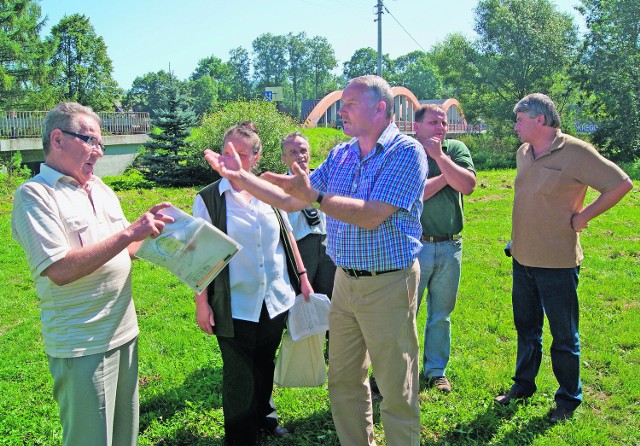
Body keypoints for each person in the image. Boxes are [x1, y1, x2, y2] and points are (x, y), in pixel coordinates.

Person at [204, 75, 428, 446]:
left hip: (389, 282)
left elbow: (371, 214)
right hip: (345, 283)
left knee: (395, 385)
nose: (342, 110)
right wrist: (240, 176)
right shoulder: (342, 153)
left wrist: (317, 196)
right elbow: (293, 199)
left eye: (351, 103)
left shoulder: (405, 152)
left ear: (380, 108)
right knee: (343, 380)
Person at [11, 102, 173, 446]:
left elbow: (123, 247)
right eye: (90, 141)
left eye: (101, 144)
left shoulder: (100, 188)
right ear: (58, 139)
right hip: (82, 345)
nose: (98, 152)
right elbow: (59, 269)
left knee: (124, 434)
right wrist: (129, 233)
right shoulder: (34, 195)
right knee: (90, 439)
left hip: (124, 332)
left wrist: (157, 236)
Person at [495, 93, 633, 423]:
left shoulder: (575, 151)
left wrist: (583, 216)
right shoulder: (523, 153)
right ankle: (523, 385)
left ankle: (568, 399)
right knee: (526, 328)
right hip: (523, 257)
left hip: (558, 262)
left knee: (563, 335)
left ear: (540, 120)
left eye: (520, 120)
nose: (515, 126)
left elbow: (620, 184)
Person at [193, 122, 313, 446]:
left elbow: (287, 237)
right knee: (237, 373)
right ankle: (240, 435)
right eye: (227, 152)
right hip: (235, 303)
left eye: (241, 154)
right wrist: (201, 303)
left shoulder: (271, 194)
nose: (231, 160)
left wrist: (302, 278)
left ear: (256, 158)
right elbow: (200, 256)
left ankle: (265, 416)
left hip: (275, 297)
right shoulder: (208, 199)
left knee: (264, 363)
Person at [413, 104, 476, 393]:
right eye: (433, 122)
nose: (440, 127)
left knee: (441, 314)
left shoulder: (456, 148)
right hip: (415, 247)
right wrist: (447, 177)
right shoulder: (407, 151)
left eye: (444, 122)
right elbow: (415, 193)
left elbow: (467, 185)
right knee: (407, 313)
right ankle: (403, 370)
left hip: (450, 246)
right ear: (417, 126)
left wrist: (440, 158)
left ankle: (436, 371)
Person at [280, 132, 336, 299]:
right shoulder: (279, 186)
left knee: (330, 298)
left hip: (327, 247)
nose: (300, 156)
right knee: (301, 300)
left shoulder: (324, 181)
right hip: (299, 248)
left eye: (303, 150)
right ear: (284, 159)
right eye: (293, 153)